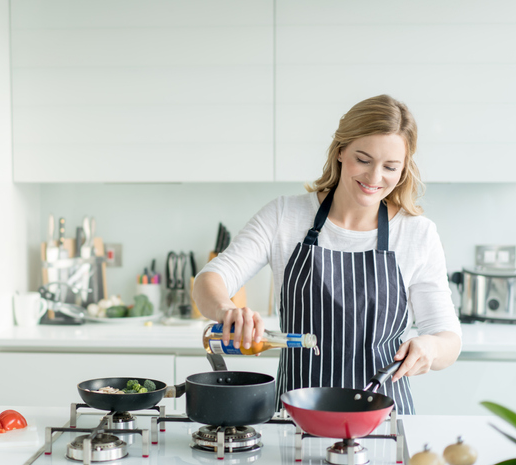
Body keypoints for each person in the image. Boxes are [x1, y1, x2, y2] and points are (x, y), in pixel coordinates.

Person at [192, 94, 461, 414]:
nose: (375, 178)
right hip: (295, 422)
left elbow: (449, 339)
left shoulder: (417, 233)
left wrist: (430, 346)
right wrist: (226, 310)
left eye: (390, 166)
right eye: (363, 159)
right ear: (340, 151)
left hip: (383, 424)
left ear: (404, 169)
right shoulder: (285, 216)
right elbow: (209, 280)